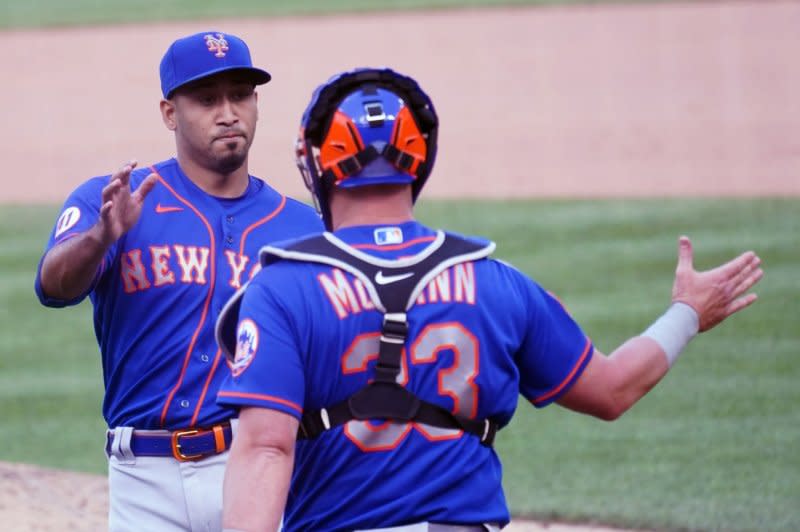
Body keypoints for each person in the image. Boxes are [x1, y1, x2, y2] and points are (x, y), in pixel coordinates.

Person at [214, 68, 763, 532]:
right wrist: (686, 313)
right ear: (419, 158)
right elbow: (612, 389)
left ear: (317, 163)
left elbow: (266, 449)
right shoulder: (498, 282)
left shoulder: (281, 289)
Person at [35, 31, 323, 531]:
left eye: (241, 95)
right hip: (141, 477)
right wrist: (102, 237)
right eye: (208, 99)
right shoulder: (115, 200)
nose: (228, 112)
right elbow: (54, 287)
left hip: (252, 464)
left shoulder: (302, 228)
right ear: (170, 113)